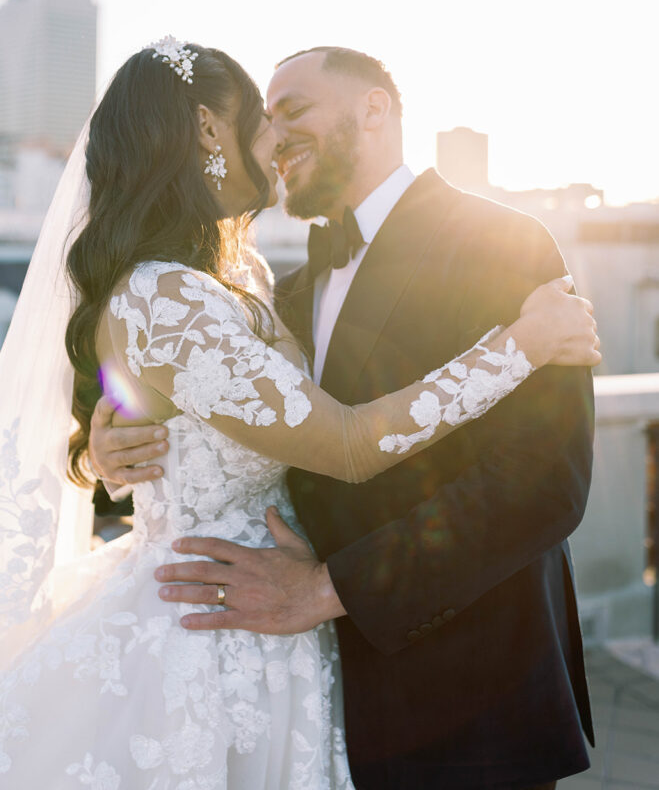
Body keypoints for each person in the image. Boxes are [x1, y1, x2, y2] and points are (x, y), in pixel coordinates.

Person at [93, 47, 600, 789]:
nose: (273, 132)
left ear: (374, 108)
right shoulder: (277, 292)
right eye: (263, 117)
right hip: (319, 692)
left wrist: (327, 590)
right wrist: (106, 448)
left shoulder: (504, 242)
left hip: (472, 696)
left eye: (291, 108)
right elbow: (196, 412)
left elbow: (543, 481)